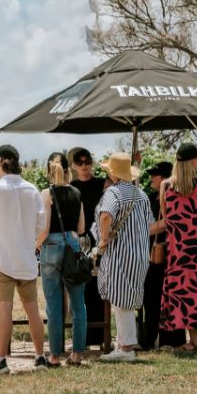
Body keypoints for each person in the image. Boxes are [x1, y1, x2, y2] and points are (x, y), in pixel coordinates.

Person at [0, 145, 50, 375]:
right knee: (33, 310)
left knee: (4, 310)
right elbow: (41, 225)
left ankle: (0, 359)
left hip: (2, 259)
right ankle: (40, 357)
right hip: (26, 259)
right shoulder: (32, 189)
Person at [95, 152, 156, 362]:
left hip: (120, 253)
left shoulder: (113, 192)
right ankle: (123, 343)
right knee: (127, 298)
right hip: (140, 254)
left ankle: (127, 347)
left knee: (121, 299)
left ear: (113, 173)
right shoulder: (142, 194)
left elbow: (105, 216)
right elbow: (150, 225)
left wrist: (104, 239)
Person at [160, 143, 197, 350]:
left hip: (177, 248)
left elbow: (166, 217)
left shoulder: (165, 186)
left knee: (184, 292)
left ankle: (193, 340)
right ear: (193, 161)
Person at [37, 152, 86, 367]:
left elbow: (45, 228)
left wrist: (36, 244)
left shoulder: (46, 194)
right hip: (73, 245)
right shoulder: (76, 192)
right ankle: (77, 354)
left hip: (51, 247)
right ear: (68, 171)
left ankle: (55, 355)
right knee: (78, 304)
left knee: (54, 304)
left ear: (49, 171)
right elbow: (81, 227)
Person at [139, 161, 186, 350]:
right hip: (151, 253)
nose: (151, 178)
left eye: (155, 175)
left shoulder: (173, 196)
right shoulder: (150, 197)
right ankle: (150, 337)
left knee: (169, 296)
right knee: (150, 297)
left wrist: (142, 231)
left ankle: (171, 338)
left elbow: (168, 221)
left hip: (168, 252)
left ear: (165, 178)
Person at [70, 147, 107, 347]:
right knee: (82, 291)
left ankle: (101, 336)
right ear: (74, 166)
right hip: (79, 242)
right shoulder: (71, 187)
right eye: (80, 162)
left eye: (87, 161)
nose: (84, 165)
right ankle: (82, 337)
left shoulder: (102, 184)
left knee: (99, 290)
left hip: (101, 240)